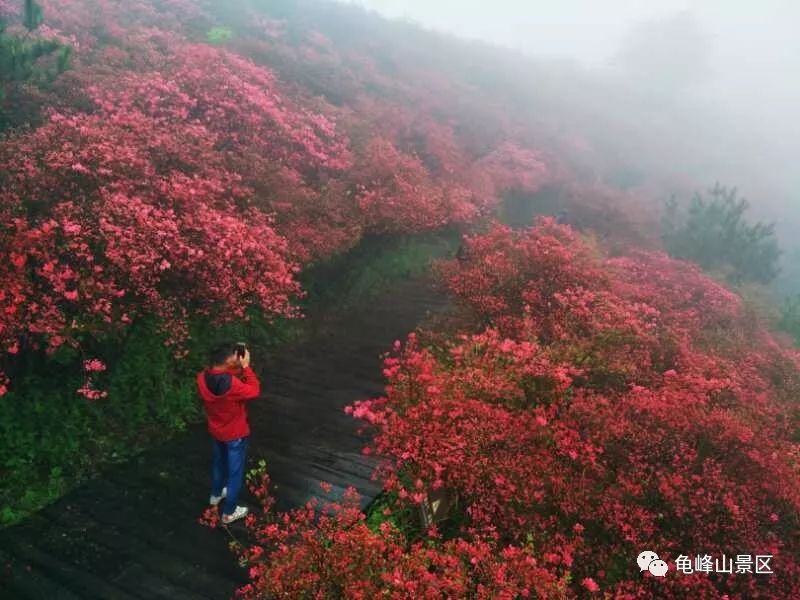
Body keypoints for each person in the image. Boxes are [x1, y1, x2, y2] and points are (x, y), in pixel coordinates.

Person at [197, 341, 261, 524]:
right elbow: (254, 391)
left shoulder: (202, 377)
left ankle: (215, 495)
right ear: (226, 362)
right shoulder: (232, 385)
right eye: (234, 355)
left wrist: (237, 366)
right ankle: (229, 513)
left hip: (216, 429)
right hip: (235, 434)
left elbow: (223, 378)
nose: (237, 356)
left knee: (218, 464)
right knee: (235, 473)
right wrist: (247, 368)